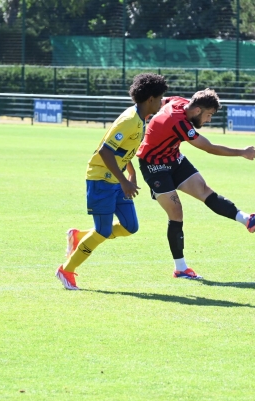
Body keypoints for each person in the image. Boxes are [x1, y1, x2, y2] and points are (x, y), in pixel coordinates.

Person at [135, 88, 255, 280]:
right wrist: (242, 152)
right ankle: (180, 268)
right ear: (197, 110)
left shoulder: (179, 102)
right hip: (153, 165)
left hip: (173, 159)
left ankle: (248, 220)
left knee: (204, 191)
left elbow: (159, 102)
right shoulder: (179, 123)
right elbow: (209, 148)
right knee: (176, 212)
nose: (209, 120)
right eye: (209, 115)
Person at [55, 73, 169, 290]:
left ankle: (78, 236)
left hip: (116, 181)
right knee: (103, 231)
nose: (162, 101)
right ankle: (66, 270)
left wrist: (131, 173)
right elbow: (106, 152)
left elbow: (122, 152)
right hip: (100, 179)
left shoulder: (140, 120)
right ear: (150, 99)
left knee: (130, 226)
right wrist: (124, 182)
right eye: (161, 97)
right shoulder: (129, 121)